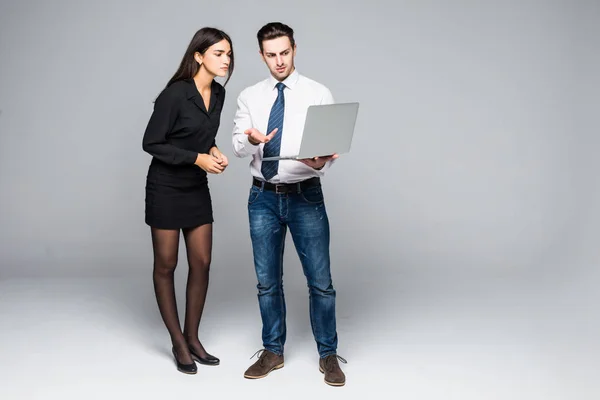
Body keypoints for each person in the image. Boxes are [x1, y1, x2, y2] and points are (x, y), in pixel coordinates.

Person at [232, 22, 347, 387]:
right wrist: (251, 140)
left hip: (305, 195)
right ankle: (273, 351)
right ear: (261, 55)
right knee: (267, 282)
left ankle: (328, 354)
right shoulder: (250, 96)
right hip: (262, 197)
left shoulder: (318, 92)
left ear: (294, 49)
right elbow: (237, 146)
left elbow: (327, 148)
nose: (279, 61)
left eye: (284, 52)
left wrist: (321, 161)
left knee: (321, 282)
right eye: (271, 55)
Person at [141, 27, 233, 374]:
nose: (226, 60)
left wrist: (213, 151)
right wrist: (198, 159)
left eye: (228, 54)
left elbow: (202, 138)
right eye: (218, 54)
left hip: (195, 186)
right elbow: (152, 143)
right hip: (165, 186)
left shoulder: (219, 94)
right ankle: (178, 341)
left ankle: (193, 337)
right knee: (166, 265)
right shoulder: (175, 94)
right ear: (199, 56)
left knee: (202, 262)